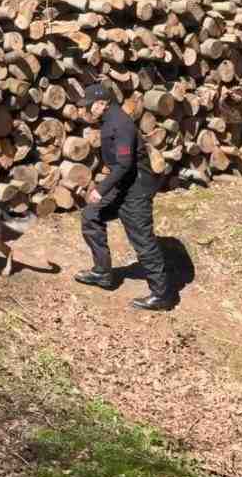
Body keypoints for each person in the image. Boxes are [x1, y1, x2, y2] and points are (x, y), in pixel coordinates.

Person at [74, 84, 178, 312]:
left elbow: (124, 164)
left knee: (142, 239)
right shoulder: (109, 121)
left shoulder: (121, 125)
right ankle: (102, 273)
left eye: (89, 106)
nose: (86, 111)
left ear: (102, 104)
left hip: (136, 188)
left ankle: (162, 295)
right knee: (91, 215)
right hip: (124, 183)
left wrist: (100, 190)